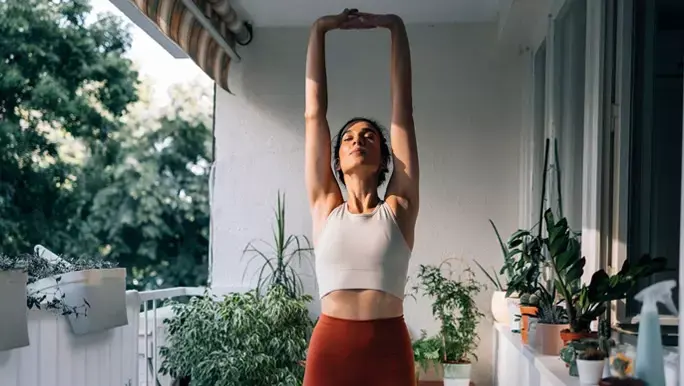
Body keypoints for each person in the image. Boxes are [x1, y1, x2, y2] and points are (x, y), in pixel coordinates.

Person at [303, 8, 419, 386]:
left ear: (385, 157)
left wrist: (394, 27)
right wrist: (319, 30)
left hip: (388, 351)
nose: (358, 141)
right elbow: (313, 115)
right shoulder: (325, 205)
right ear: (336, 159)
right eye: (349, 138)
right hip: (330, 351)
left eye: (369, 136)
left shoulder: (398, 208)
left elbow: (403, 110)